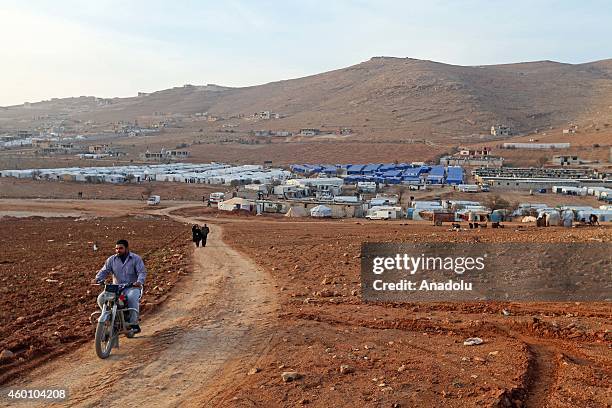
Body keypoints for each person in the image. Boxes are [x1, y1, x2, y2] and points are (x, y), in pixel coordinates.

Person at [92, 239, 146, 333]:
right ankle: (111, 318)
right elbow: (104, 271)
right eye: (116, 248)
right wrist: (97, 279)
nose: (118, 250)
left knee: (131, 298)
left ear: (127, 248)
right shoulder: (111, 260)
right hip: (116, 287)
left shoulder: (136, 258)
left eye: (120, 248)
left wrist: (139, 281)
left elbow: (142, 272)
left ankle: (134, 323)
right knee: (101, 298)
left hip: (131, 287)